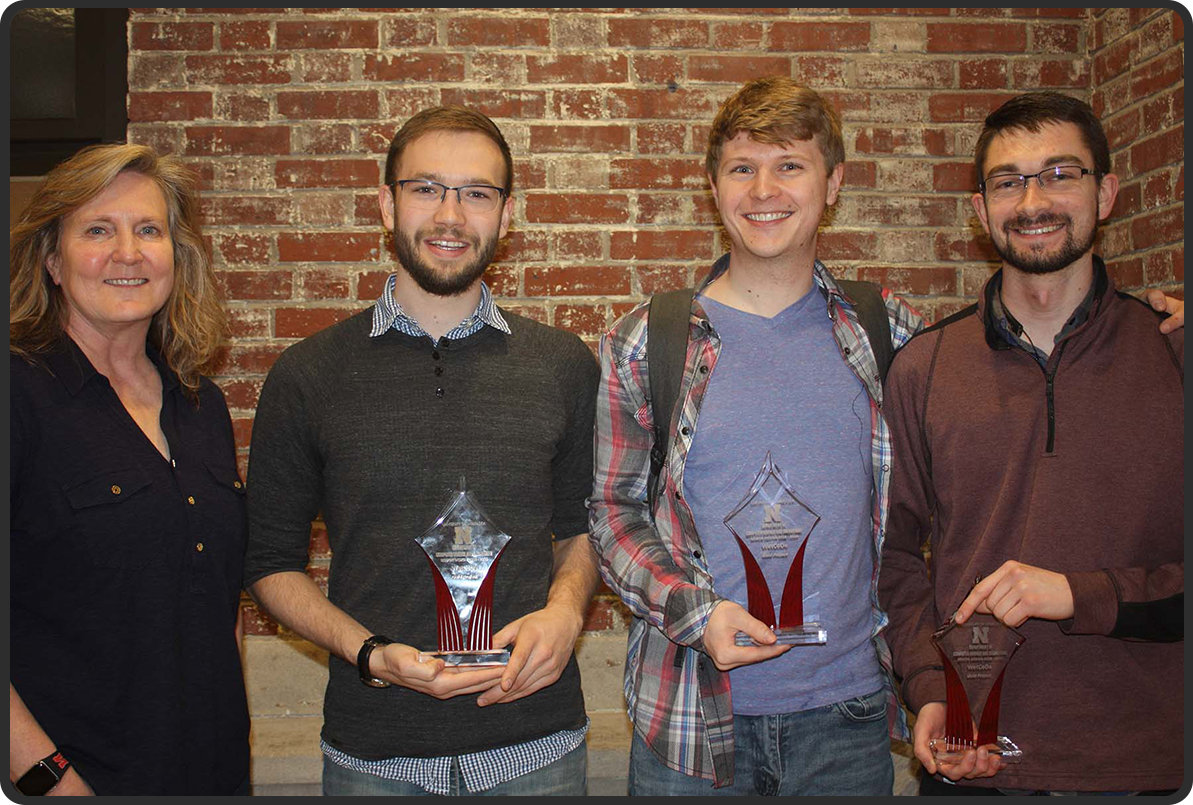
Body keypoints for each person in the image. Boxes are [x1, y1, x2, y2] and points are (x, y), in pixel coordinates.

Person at [587, 78, 1184, 796]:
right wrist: (696, 614)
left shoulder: (889, 333)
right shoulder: (645, 342)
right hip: (687, 720)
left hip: (848, 720)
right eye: (742, 168)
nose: (763, 190)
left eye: (790, 165)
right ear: (713, 188)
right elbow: (612, 513)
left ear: (833, 183)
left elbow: (912, 532)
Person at [242, 106, 600, 796]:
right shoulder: (309, 374)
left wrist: (564, 612)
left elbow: (583, 528)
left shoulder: (562, 365)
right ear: (387, 204)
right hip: (374, 756)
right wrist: (369, 653)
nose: (450, 215)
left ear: (507, 215)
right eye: (426, 188)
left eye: (476, 193)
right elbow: (269, 565)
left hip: (537, 750)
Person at [877, 91, 1183, 795]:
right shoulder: (924, 366)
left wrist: (1077, 594)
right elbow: (893, 558)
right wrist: (928, 689)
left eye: (1060, 174)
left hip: (1147, 764)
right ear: (980, 210)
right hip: (973, 757)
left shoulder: (1173, 354)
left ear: (1105, 192)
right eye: (1008, 181)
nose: (1033, 200)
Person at [9, 144, 250, 795]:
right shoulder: (18, 395)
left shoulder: (201, 405)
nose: (127, 253)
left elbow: (217, 600)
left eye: (148, 230)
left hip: (212, 775)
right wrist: (48, 779)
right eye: (97, 230)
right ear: (52, 261)